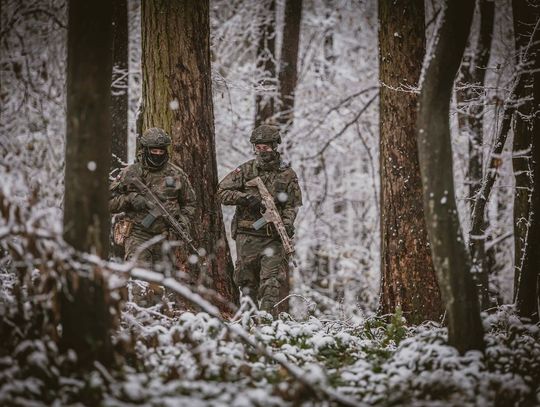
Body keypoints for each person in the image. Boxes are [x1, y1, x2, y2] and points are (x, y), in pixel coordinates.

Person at [217, 124, 302, 316]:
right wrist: (245, 199)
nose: (263, 151)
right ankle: (248, 323)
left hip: (273, 237)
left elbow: (292, 205)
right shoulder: (245, 171)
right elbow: (221, 192)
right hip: (247, 236)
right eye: (259, 147)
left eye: (267, 147)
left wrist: (287, 224)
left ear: (275, 146)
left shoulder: (287, 175)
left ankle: (265, 323)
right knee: (247, 283)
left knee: (271, 284)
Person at [109, 127, 196, 271]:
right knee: (141, 284)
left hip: (167, 236)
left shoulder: (176, 174)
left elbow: (190, 203)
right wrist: (129, 199)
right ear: (145, 149)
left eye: (161, 151)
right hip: (138, 234)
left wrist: (183, 219)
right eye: (154, 151)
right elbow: (108, 203)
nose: (158, 154)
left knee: (166, 285)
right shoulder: (130, 173)